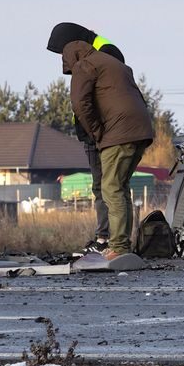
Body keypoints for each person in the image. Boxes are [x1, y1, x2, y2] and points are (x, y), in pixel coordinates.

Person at [50, 24, 155, 270]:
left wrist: (96, 131)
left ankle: (118, 247)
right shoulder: (112, 62)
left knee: (110, 188)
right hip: (140, 130)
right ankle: (121, 244)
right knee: (120, 187)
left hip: (118, 134)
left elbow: (80, 104)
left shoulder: (84, 65)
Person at [44, 22, 125, 254]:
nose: (63, 57)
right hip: (94, 132)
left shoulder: (106, 52)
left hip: (103, 133)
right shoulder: (93, 52)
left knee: (110, 187)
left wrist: (96, 130)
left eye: (62, 51)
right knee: (102, 187)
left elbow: (100, 97)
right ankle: (105, 238)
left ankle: (110, 240)